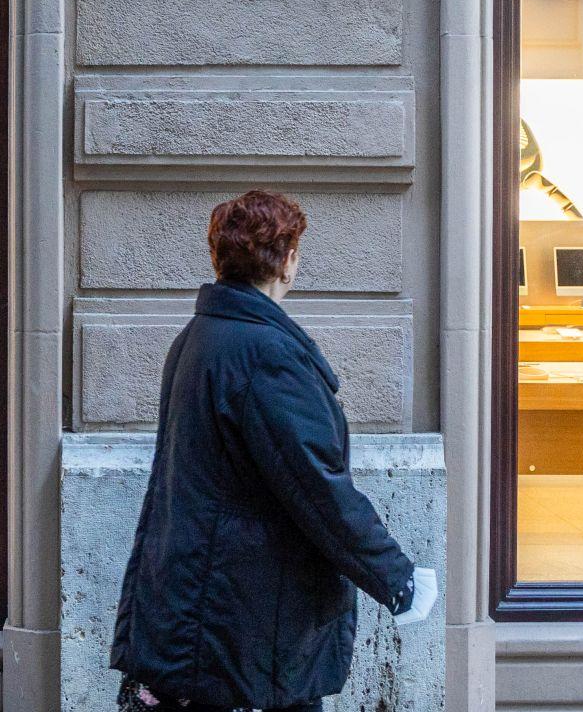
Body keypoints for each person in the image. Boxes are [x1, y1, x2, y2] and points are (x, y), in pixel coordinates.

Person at [109, 190, 438, 712]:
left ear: (219, 257)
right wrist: (397, 579)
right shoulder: (263, 353)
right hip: (244, 620)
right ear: (286, 261)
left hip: (201, 606)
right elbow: (317, 487)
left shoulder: (201, 336)